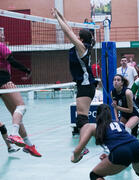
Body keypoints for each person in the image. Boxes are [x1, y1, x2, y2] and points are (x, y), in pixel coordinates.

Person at [0, 23, 41, 157]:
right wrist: (27, 70)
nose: (4, 36)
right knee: (21, 107)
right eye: (1, 34)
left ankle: (29, 145)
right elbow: (11, 60)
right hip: (4, 80)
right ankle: (13, 135)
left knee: (16, 114)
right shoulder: (0, 45)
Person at [71, 104, 139, 180]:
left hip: (121, 151)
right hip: (137, 146)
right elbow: (121, 140)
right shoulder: (119, 124)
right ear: (110, 115)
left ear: (96, 116)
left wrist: (75, 159)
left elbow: (77, 151)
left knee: (94, 175)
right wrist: (110, 155)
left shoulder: (94, 127)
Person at [52, 8, 96, 154]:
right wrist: (59, 15)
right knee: (82, 117)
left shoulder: (82, 48)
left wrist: (57, 20)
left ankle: (83, 146)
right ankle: (83, 146)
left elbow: (67, 32)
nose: (76, 37)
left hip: (86, 85)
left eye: (78, 36)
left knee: (82, 118)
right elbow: (69, 29)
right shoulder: (83, 46)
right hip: (85, 85)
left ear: (81, 39)